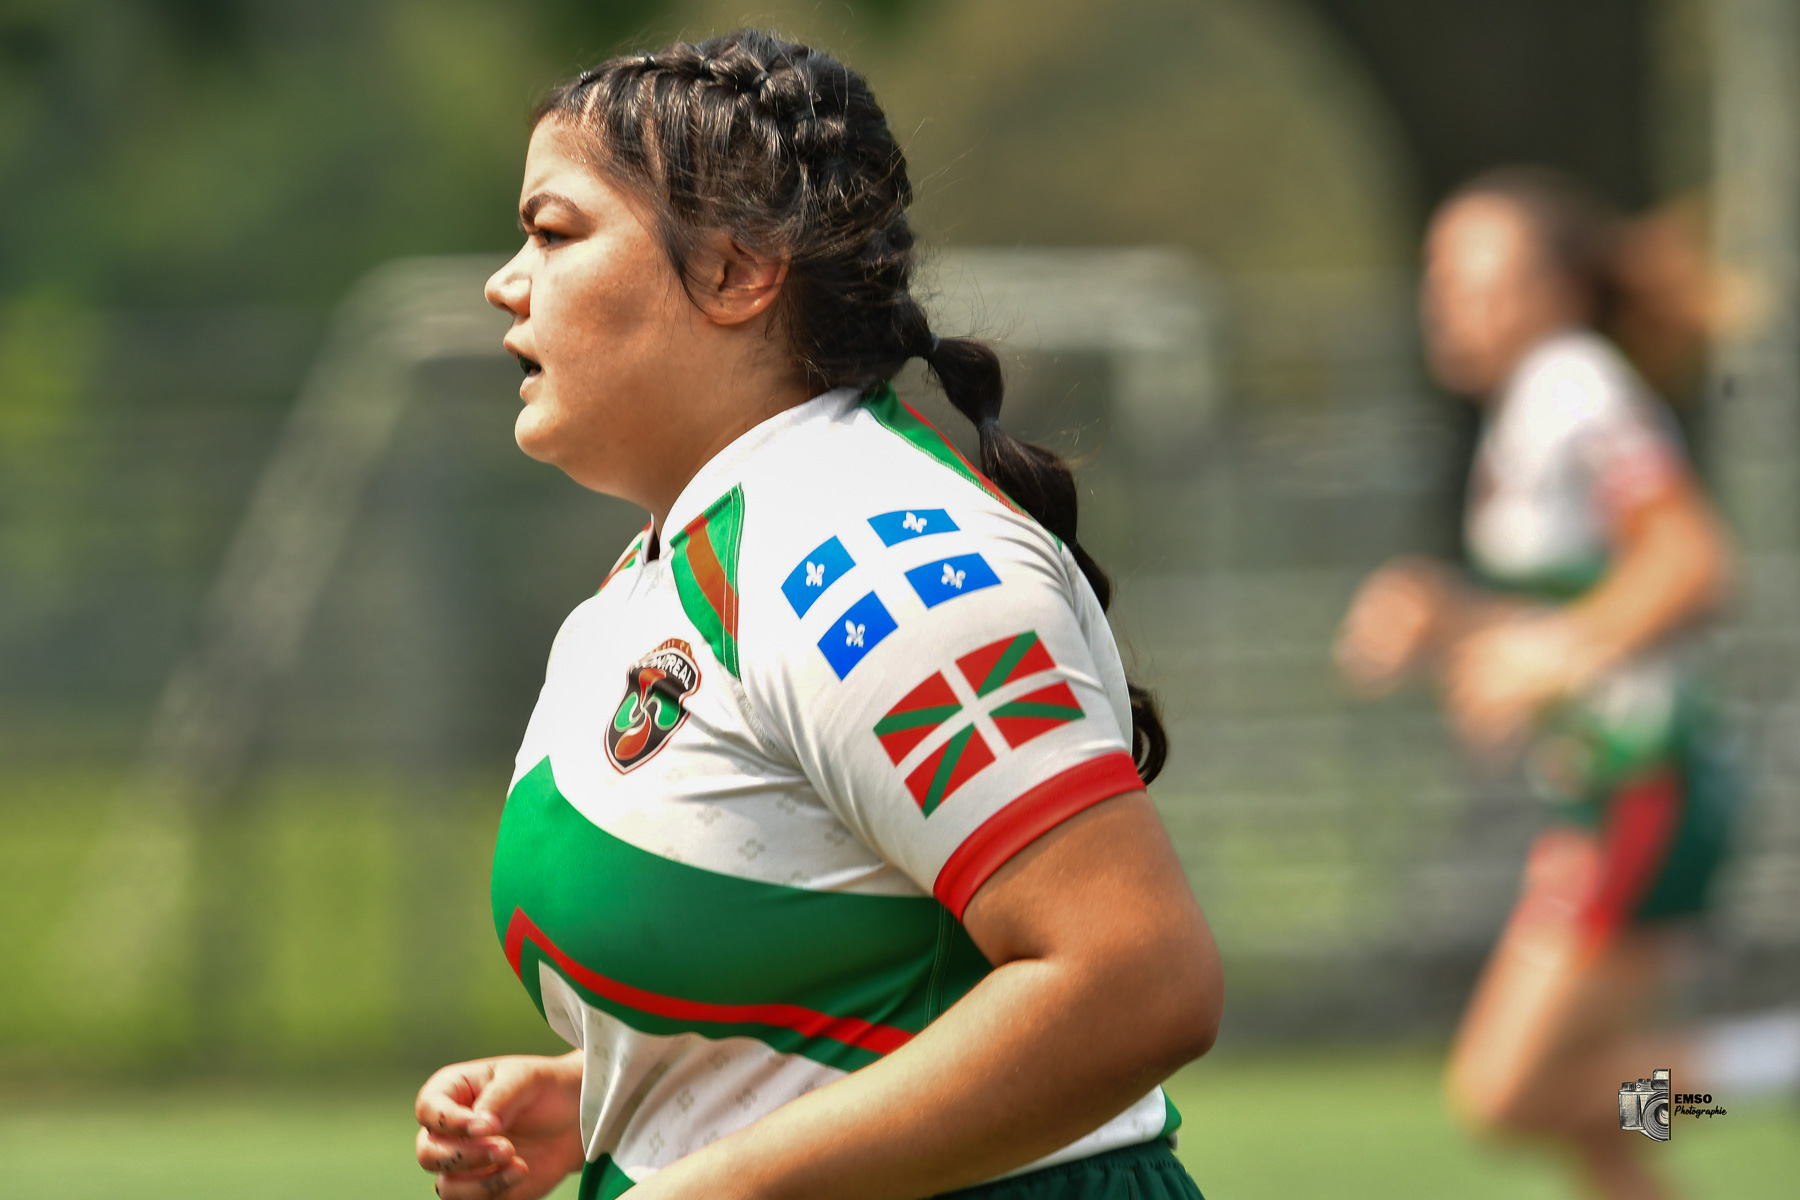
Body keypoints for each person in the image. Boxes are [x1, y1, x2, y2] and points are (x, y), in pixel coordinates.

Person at [413, 29, 1222, 1200]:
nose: (507, 279)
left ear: (740, 274)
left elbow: (1135, 981)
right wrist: (636, 1086)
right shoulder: (664, 573)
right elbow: (869, 976)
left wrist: (723, 1184)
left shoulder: (869, 561)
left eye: (554, 231)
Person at [1334, 168, 1738, 1200]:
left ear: (1555, 290)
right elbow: (1578, 597)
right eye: (1437, 275)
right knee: (1594, 1125)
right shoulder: (1533, 404)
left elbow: (1692, 561)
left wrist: (1558, 658)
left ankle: (1755, 1069)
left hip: (1645, 788)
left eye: (1477, 276)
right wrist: (1448, 616)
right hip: (1608, 790)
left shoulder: (1573, 385)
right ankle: (1727, 1080)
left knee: (1509, 1092)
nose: (1446, 298)